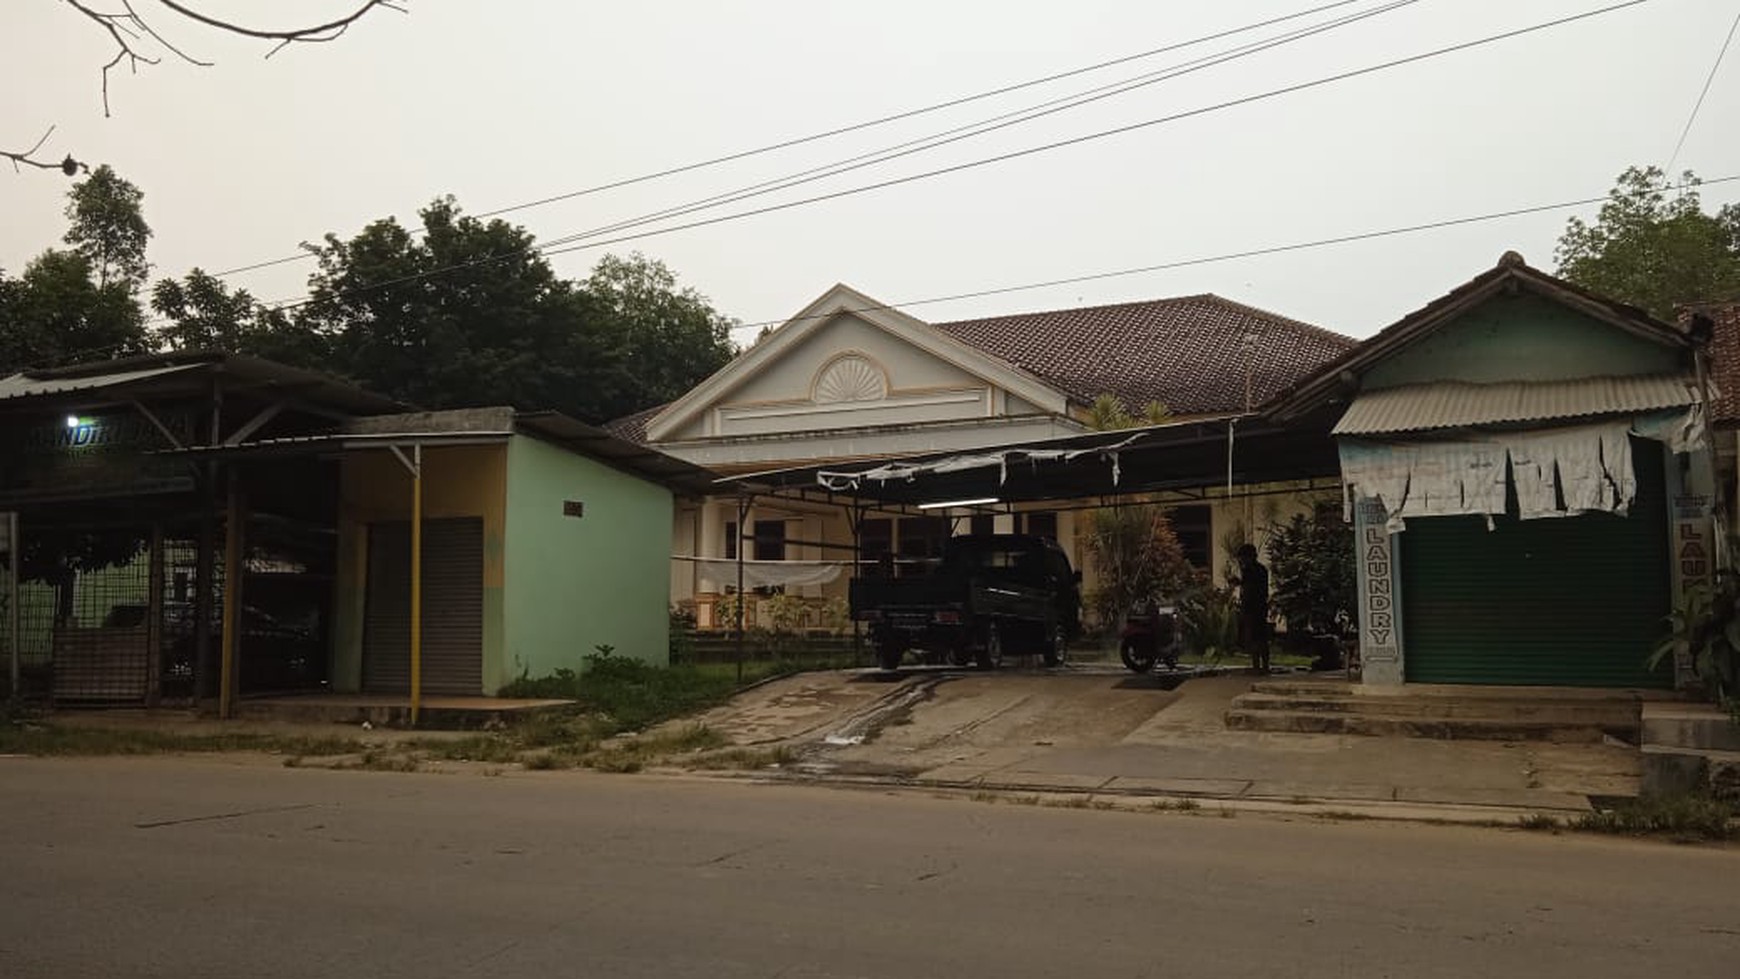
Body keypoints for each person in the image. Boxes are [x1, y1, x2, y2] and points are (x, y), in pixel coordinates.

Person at [1234, 543, 1270, 674]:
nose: (1241, 561)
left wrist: (1244, 608)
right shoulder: (1261, 570)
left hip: (1253, 608)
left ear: (1248, 557)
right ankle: (1264, 666)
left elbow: (1250, 590)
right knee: (1260, 637)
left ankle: (1258, 666)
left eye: (1242, 558)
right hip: (1260, 607)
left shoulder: (1251, 571)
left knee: (1255, 637)